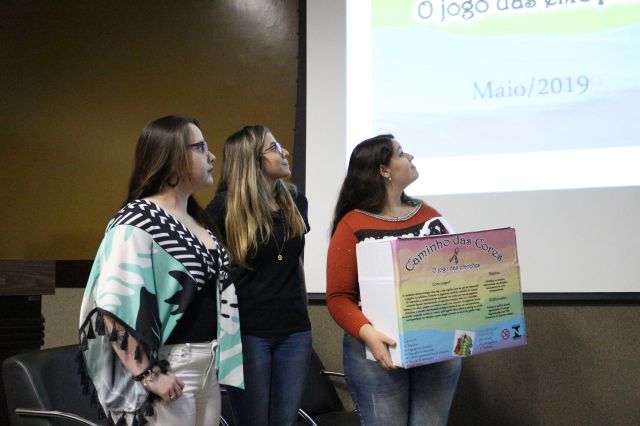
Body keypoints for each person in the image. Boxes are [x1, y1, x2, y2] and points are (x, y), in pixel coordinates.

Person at [78, 116, 243, 426]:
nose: (211, 156)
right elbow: (112, 304)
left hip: (207, 363)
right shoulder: (139, 218)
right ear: (172, 158)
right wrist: (148, 373)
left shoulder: (196, 219)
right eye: (200, 147)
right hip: (170, 364)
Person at [326, 134, 462, 426]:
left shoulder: (431, 218)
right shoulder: (352, 224)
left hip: (437, 345)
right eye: (401, 153)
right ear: (383, 170)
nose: (410, 156)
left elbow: (458, 277)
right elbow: (339, 298)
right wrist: (368, 334)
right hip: (376, 349)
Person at [206, 125, 311, 426]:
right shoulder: (223, 207)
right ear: (252, 159)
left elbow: (294, 263)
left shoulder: (296, 201)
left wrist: (303, 310)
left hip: (294, 330)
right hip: (247, 333)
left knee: (285, 421)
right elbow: (210, 272)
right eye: (274, 147)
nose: (285, 152)